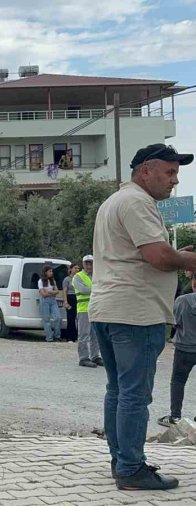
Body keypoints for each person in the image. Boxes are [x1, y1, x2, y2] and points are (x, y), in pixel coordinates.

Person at [90, 143, 195, 490]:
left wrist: (174, 255)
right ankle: (132, 470)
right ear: (146, 170)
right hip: (136, 312)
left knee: (118, 391)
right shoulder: (137, 202)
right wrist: (187, 260)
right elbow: (157, 256)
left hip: (108, 308)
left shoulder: (114, 201)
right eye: (170, 172)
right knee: (134, 394)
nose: (175, 181)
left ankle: (121, 462)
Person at [159, 273, 196, 427]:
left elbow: (175, 322)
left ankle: (175, 416)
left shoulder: (182, 301)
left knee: (178, 381)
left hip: (185, 347)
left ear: (194, 283)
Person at [73, 255, 101, 368]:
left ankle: (95, 356)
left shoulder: (97, 276)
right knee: (84, 335)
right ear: (83, 264)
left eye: (91, 263)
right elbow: (83, 290)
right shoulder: (78, 277)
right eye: (87, 263)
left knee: (96, 335)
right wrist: (99, 289)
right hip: (84, 309)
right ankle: (83, 358)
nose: (89, 266)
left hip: (96, 309)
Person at [38, 265, 61, 342]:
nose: (51, 273)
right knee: (46, 319)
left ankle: (57, 335)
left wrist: (50, 292)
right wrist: (52, 293)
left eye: (52, 271)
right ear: (45, 272)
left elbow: (57, 291)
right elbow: (43, 294)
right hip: (44, 301)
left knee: (58, 318)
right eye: (50, 271)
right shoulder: (40, 281)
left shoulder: (52, 281)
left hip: (53, 300)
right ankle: (49, 337)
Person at [63, 264, 80, 342]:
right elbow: (65, 291)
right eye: (75, 268)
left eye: (78, 268)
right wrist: (65, 301)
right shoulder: (67, 279)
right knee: (71, 318)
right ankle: (69, 337)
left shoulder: (79, 278)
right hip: (70, 298)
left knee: (79, 319)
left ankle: (76, 336)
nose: (77, 270)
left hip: (78, 298)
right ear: (71, 269)